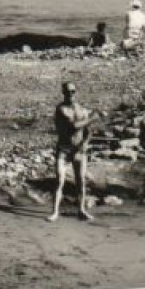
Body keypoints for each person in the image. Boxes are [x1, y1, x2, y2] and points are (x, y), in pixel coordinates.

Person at [50, 82, 93, 223]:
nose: (71, 94)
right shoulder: (61, 109)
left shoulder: (82, 110)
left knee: (81, 181)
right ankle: (55, 212)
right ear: (63, 93)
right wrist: (93, 117)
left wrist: (85, 143)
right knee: (59, 180)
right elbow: (73, 126)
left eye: (73, 91)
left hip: (78, 150)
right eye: (68, 92)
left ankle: (81, 210)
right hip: (63, 149)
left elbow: (88, 131)